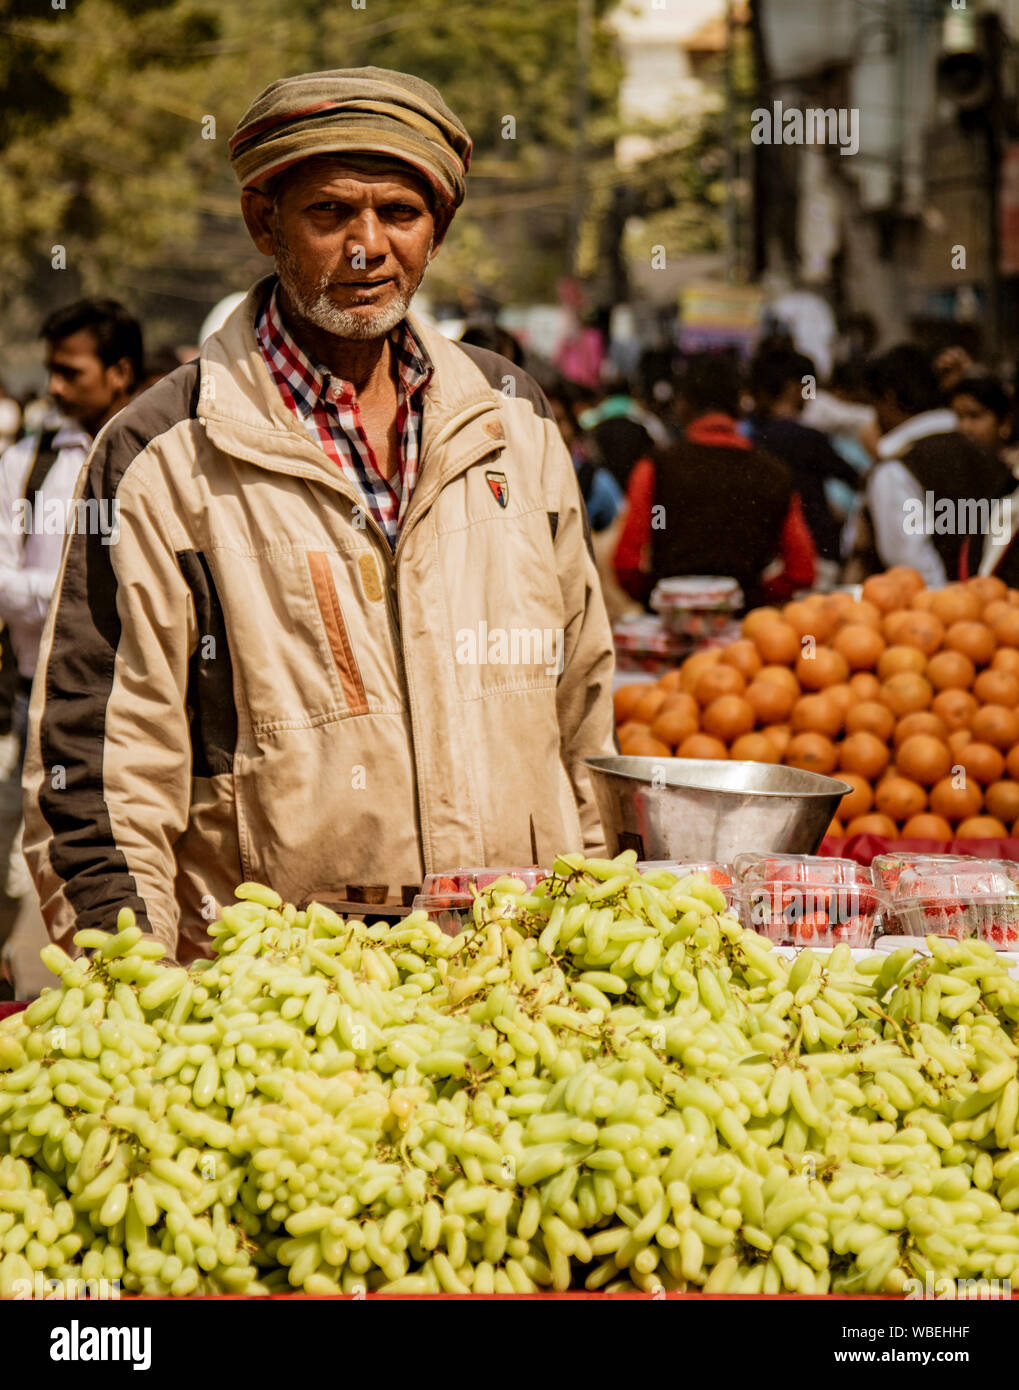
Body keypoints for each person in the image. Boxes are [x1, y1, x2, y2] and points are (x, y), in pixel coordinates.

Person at [23, 66, 616, 967]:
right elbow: (98, 775)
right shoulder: (161, 454)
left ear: (438, 230)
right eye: (330, 213)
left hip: (517, 989)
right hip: (279, 1015)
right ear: (265, 225)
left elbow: (583, 714)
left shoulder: (511, 418)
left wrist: (598, 936)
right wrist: (132, 991)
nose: (367, 247)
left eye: (400, 216)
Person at [0, 298, 143, 995]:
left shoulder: (163, 457)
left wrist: (47, 590)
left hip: (149, 707)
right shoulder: (28, 464)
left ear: (119, 373)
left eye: (71, 371)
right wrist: (72, 598)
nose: (55, 387)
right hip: (42, 700)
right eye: (51, 372)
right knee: (37, 858)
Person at [611, 353, 815, 611]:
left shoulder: (656, 466)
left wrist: (661, 597)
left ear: (683, 405)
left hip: (669, 627)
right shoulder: (774, 473)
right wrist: (748, 597)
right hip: (747, 636)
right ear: (741, 407)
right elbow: (802, 572)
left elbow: (626, 563)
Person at [859, 345, 1015, 586]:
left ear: (888, 399)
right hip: (994, 607)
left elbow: (916, 574)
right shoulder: (988, 453)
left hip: (937, 616)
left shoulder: (897, 470)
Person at [746, 344, 861, 584]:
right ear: (793, 388)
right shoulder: (809, 438)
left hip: (767, 557)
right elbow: (855, 478)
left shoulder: (750, 440)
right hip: (815, 551)